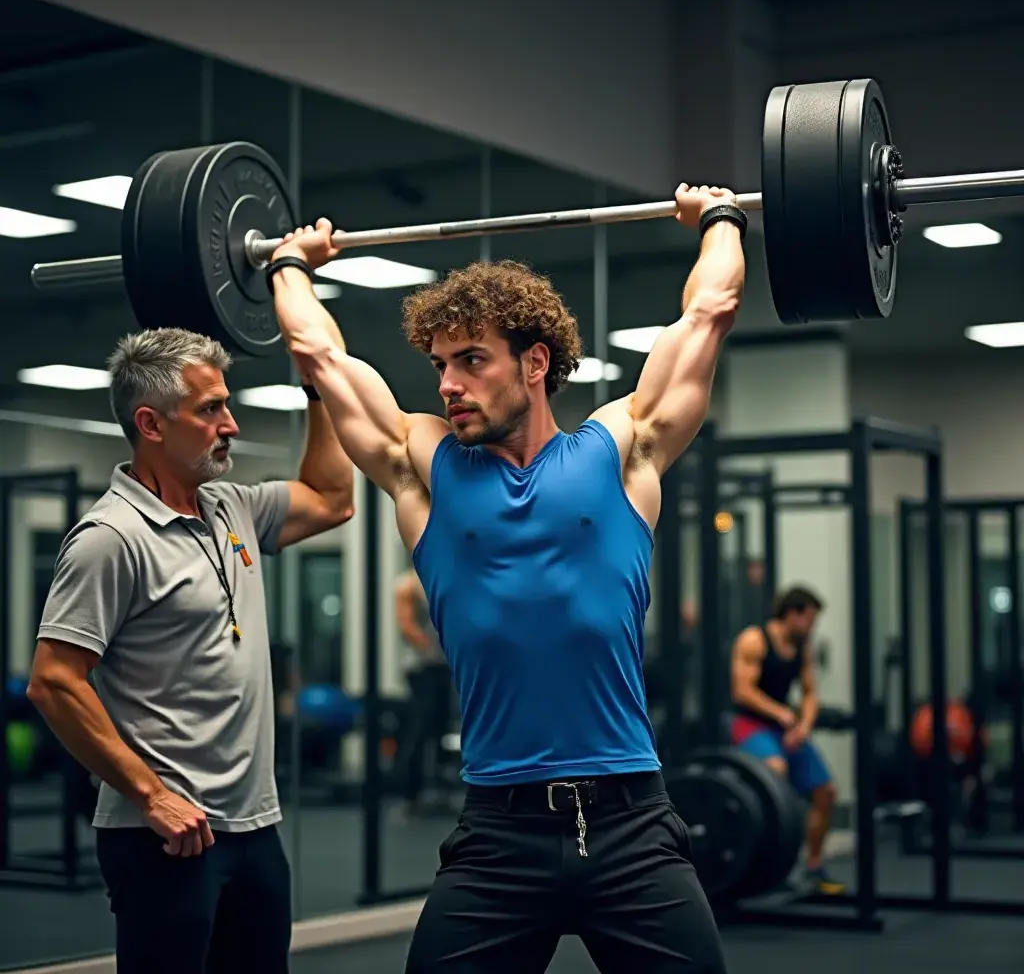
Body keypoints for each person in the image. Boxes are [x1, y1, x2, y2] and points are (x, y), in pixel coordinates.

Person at [265, 180, 745, 973]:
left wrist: (720, 219)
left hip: (630, 820)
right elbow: (321, 356)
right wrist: (289, 264)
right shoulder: (425, 468)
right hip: (500, 832)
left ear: (534, 363)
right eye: (440, 364)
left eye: (471, 360)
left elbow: (708, 314)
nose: (448, 383)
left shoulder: (621, 449)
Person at [26, 327, 355, 974]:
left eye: (225, 405)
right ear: (151, 423)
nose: (230, 423)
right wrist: (150, 796)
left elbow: (333, 500)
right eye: (210, 410)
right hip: (166, 834)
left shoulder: (229, 506)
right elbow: (54, 681)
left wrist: (315, 390)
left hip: (254, 826)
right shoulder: (110, 539)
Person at [729, 585, 845, 894]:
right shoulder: (754, 640)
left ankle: (813, 866)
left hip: (785, 727)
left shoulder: (801, 645)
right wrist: (780, 713)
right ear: (792, 614)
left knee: (826, 791)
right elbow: (742, 690)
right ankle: (769, 866)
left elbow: (809, 693)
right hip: (749, 723)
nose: (813, 626)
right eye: (809, 619)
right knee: (776, 771)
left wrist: (804, 726)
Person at [394, 567, 455, 818]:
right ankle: (410, 796)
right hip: (423, 669)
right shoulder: (408, 584)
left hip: (441, 668)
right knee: (419, 731)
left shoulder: (443, 578)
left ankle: (438, 793)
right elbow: (407, 627)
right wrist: (435, 650)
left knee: (440, 730)